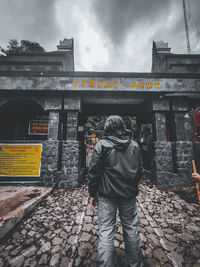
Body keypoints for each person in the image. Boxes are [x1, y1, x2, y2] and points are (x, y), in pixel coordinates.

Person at [88, 115, 143, 267]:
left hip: (106, 195)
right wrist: (132, 186)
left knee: (106, 230)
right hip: (128, 195)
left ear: (107, 128)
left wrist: (92, 193)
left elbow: (93, 172)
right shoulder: (134, 145)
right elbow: (139, 170)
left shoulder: (102, 145)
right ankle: (135, 264)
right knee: (131, 227)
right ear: (122, 127)